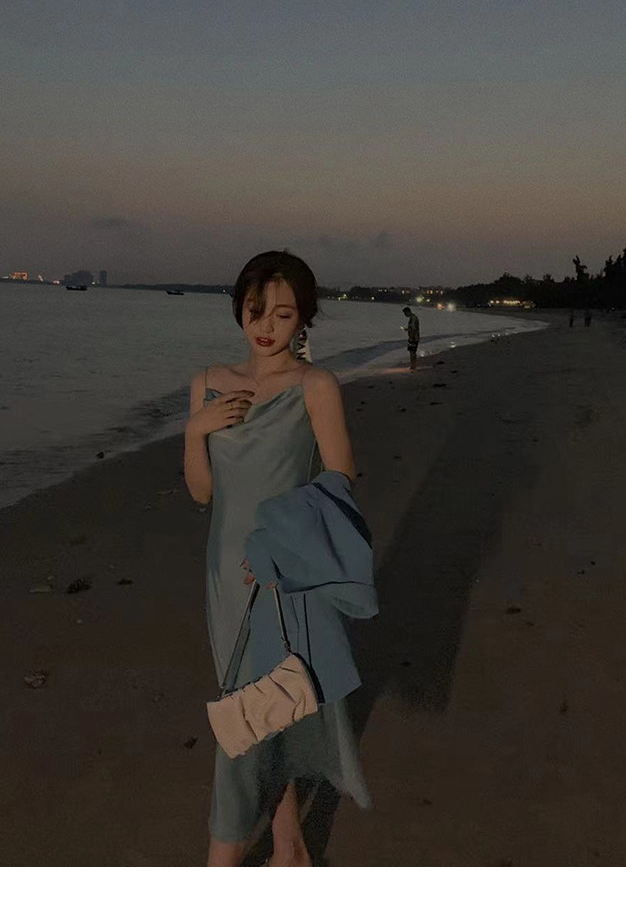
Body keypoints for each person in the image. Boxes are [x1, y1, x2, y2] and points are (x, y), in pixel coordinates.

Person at [184, 250, 370, 866]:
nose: (265, 326)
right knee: (267, 706)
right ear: (239, 307)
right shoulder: (207, 382)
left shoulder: (314, 386)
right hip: (223, 573)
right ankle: (288, 842)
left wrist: (279, 548)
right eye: (255, 309)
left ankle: (220, 866)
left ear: (303, 319)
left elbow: (340, 479)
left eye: (283, 314)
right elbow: (203, 493)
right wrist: (195, 431)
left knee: (246, 717)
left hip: (279, 572)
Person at [402, 306, 420, 371]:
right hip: (413, 337)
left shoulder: (413, 318)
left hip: (413, 338)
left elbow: (413, 328)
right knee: (412, 351)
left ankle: (413, 366)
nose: (405, 315)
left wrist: (407, 329)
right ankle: (413, 365)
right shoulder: (413, 318)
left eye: (405, 313)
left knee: (412, 352)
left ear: (408, 312)